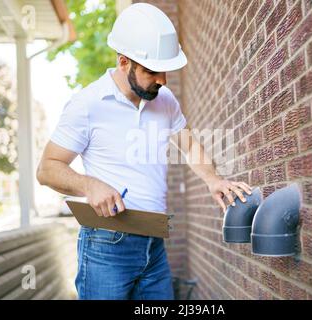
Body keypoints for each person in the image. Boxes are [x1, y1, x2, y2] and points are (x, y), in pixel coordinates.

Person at [36, 3, 252, 300]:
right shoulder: (87, 105)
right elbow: (47, 168)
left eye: (165, 70)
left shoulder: (164, 100)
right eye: (152, 71)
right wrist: (89, 184)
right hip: (106, 246)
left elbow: (188, 145)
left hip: (154, 246)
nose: (162, 80)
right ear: (124, 62)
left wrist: (213, 179)